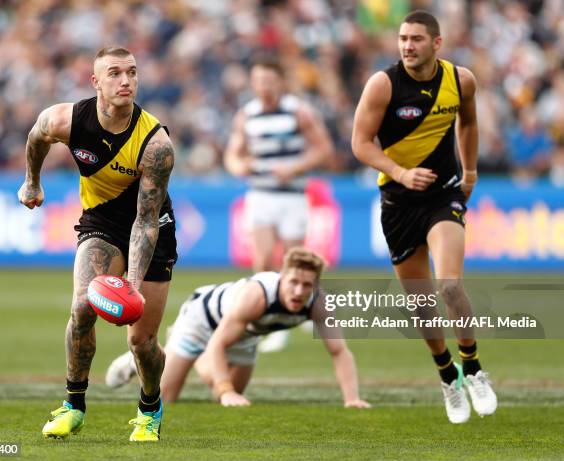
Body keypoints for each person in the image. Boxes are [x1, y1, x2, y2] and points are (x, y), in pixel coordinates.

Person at [17, 46, 177, 441]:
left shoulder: (156, 145)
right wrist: (32, 180)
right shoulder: (65, 119)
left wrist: (133, 287)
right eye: (115, 73)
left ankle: (150, 408)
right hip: (101, 223)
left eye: (132, 73)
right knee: (82, 306)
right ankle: (73, 405)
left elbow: (145, 221)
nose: (125, 81)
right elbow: (37, 137)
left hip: (152, 227)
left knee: (141, 341)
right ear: (96, 82)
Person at [351, 10, 497, 424]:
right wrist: (400, 173)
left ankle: (473, 368)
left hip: (443, 196)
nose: (407, 46)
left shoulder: (460, 80)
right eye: (402, 39)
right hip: (398, 203)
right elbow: (360, 143)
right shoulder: (383, 85)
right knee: (419, 302)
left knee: (450, 285)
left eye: (416, 39)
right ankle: (448, 375)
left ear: (436, 43)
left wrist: (469, 172)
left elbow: (468, 123)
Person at [106, 248, 371, 410]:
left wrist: (352, 399)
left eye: (307, 285)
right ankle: (141, 359)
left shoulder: (319, 303)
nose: (299, 291)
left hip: (244, 336)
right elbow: (218, 343)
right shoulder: (258, 295)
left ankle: (188, 357)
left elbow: (339, 352)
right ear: (282, 277)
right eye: (294, 282)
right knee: (168, 398)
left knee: (235, 397)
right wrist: (225, 390)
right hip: (201, 323)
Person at [224, 56, 335, 353]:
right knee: (261, 261)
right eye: (259, 81)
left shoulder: (298, 111)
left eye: (269, 81)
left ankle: (302, 309)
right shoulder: (247, 115)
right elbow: (233, 155)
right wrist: (239, 167)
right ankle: (270, 321)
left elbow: (323, 147)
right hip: (260, 194)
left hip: (291, 195)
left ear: (280, 82)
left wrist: (296, 167)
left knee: (293, 258)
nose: (264, 87)